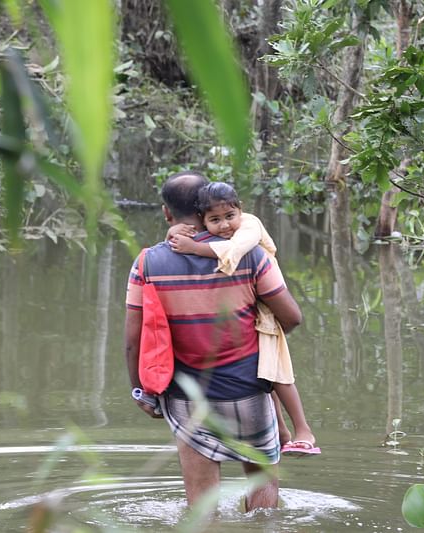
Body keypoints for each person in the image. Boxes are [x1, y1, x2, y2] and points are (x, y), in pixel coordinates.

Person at [125, 171, 303, 510]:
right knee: (264, 509)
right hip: (249, 389)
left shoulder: (147, 262)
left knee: (202, 512)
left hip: (186, 398)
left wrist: (142, 390)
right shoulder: (248, 255)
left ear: (167, 213)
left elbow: (134, 339)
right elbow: (292, 317)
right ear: (206, 206)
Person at [167, 182, 318, 456]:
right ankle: (282, 432)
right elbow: (200, 235)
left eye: (229, 217)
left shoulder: (249, 227)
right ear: (202, 219)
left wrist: (193, 248)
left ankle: (304, 429)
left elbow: (234, 250)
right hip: (255, 306)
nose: (224, 225)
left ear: (241, 210)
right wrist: (174, 232)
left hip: (268, 305)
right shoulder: (215, 230)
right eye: (215, 220)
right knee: (265, 374)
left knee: (278, 373)